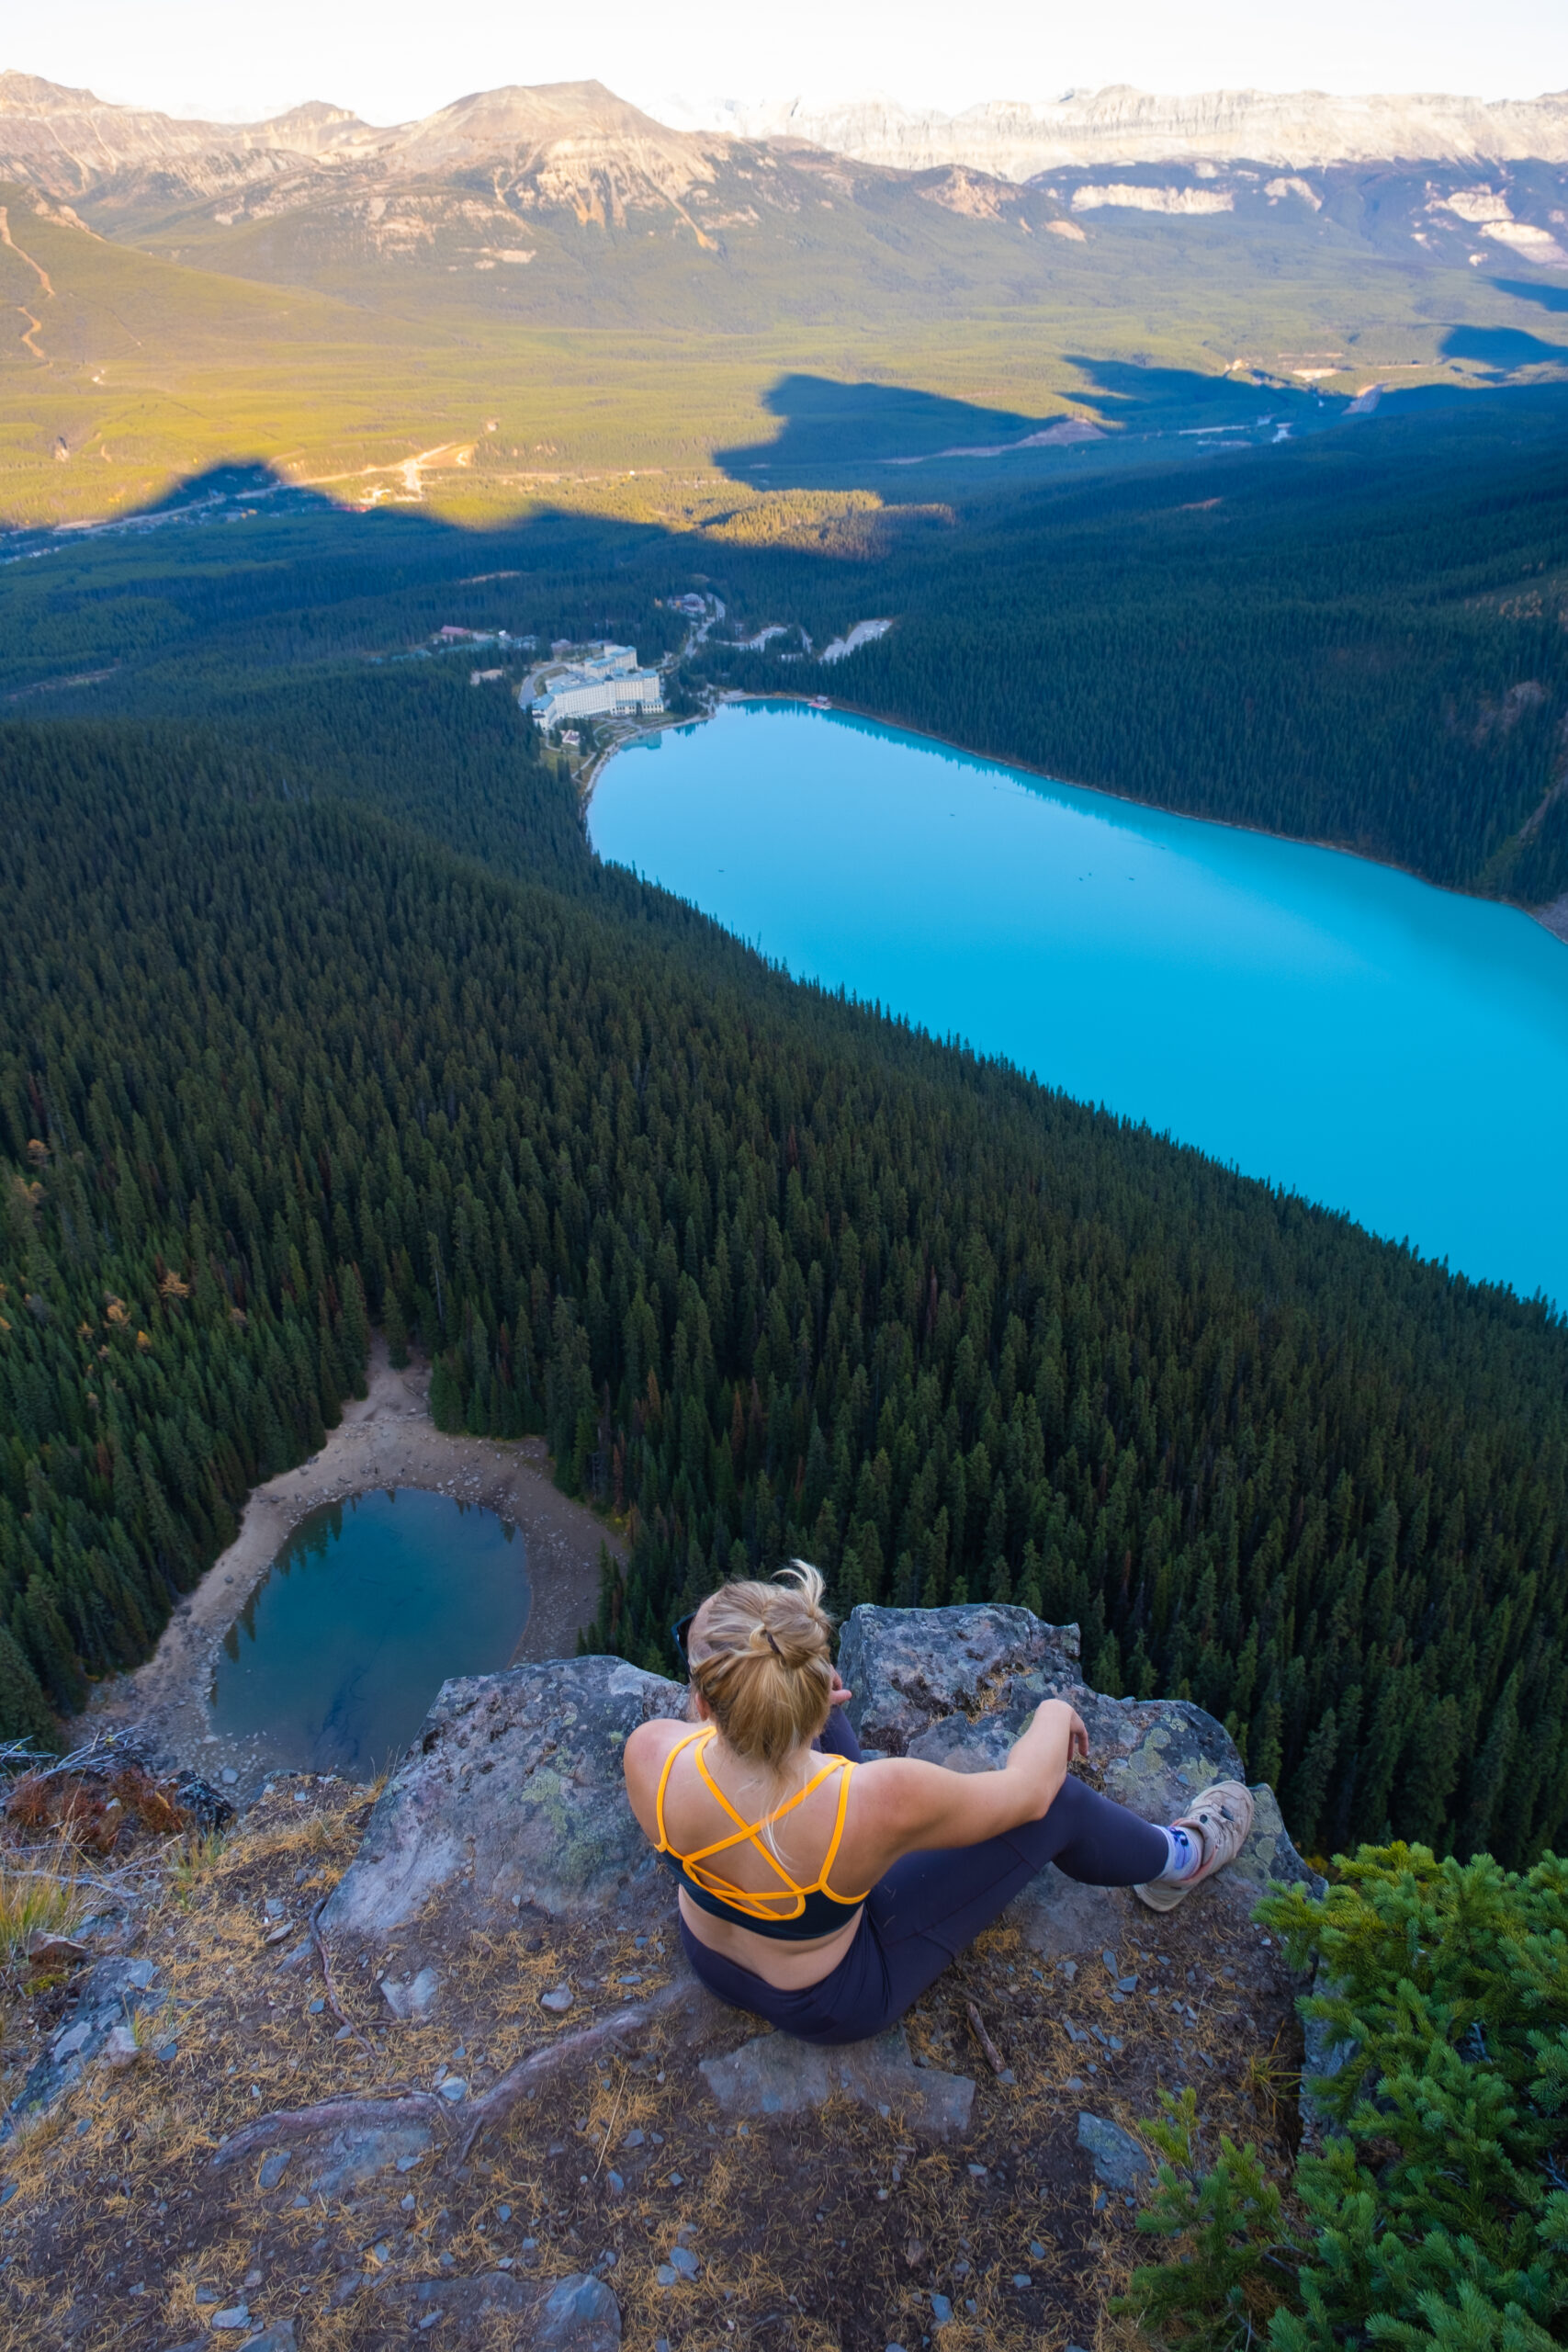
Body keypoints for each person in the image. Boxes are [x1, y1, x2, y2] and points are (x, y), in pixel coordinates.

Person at [623, 1562, 1254, 2048]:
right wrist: (1054, 1712)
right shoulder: (879, 1802)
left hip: (712, 1957)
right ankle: (1182, 1860)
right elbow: (1030, 1793)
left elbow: (732, 1749)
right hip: (827, 1999)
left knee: (777, 1766)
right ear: (814, 1698)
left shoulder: (650, 1755)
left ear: (704, 1702)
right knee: (1061, 1804)